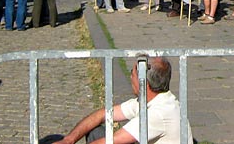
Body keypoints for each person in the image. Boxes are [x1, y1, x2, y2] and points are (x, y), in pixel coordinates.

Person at [54, 56, 193, 144]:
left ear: (143, 82)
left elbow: (111, 141)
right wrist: (69, 140)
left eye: (131, 74)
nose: (130, 78)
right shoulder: (152, 100)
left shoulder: (158, 113)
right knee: (95, 132)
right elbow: (104, 114)